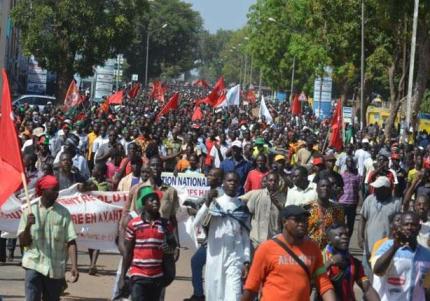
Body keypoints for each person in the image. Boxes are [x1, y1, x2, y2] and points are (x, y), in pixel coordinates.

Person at [241, 205, 336, 301]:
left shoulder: (314, 249)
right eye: (297, 220)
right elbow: (251, 287)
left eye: (304, 220)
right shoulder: (266, 249)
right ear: (284, 222)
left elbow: (324, 284)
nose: (302, 224)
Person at [18, 175, 79, 300]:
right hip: (34, 264)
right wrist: (28, 226)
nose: (57, 193)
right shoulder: (29, 211)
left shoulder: (64, 213)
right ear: (44, 191)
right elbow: (23, 242)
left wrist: (74, 266)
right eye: (54, 189)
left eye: (58, 189)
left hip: (55, 268)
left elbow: (71, 241)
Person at [194, 172, 251, 301]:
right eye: (229, 181)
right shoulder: (215, 204)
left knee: (234, 295)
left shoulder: (242, 207)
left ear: (238, 185)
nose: (232, 183)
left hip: (236, 256)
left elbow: (246, 237)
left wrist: (246, 259)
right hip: (216, 256)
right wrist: (207, 202)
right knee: (215, 293)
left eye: (235, 181)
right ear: (223, 183)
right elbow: (196, 222)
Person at [119, 186, 177, 301]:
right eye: (151, 200)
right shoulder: (133, 224)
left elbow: (174, 244)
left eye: (157, 200)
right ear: (144, 205)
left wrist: (169, 247)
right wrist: (122, 277)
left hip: (158, 277)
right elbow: (128, 253)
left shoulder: (166, 225)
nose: (156, 202)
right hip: (138, 276)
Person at [184, 168, 225, 301]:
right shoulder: (211, 192)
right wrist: (186, 202)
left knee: (197, 263)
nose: (208, 176)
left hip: (216, 239)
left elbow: (207, 212)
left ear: (219, 180)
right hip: (211, 238)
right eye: (209, 174)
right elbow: (199, 204)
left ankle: (199, 295)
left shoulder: (218, 194)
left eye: (212, 175)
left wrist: (195, 212)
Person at [372, 212, 430, 300]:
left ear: (419, 228)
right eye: (406, 224)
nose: (409, 227)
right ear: (400, 227)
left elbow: (427, 286)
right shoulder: (387, 247)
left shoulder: (427, 254)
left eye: (413, 225)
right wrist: (394, 248)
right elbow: (377, 271)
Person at [323, 223, 380, 301]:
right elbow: (312, 280)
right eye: (339, 235)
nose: (345, 237)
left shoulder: (354, 263)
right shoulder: (321, 258)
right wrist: (329, 263)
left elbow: (367, 288)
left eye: (346, 234)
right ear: (329, 240)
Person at [359, 176, 402, 278]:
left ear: (387, 190)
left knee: (382, 277)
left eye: (379, 188)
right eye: (375, 188)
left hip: (385, 248)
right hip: (368, 246)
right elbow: (362, 219)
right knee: (367, 277)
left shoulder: (396, 203)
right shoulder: (369, 200)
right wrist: (360, 237)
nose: (376, 190)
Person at [241, 172, 286, 248]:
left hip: (274, 241)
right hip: (256, 241)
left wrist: (277, 204)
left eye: (275, 181)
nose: (273, 183)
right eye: (270, 180)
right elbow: (240, 202)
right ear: (266, 181)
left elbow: (286, 217)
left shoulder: (283, 197)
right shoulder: (256, 194)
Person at [306, 177, 345, 249]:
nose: (325, 188)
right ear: (317, 189)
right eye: (322, 186)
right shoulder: (307, 209)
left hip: (330, 252)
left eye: (328, 186)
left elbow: (341, 231)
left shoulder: (338, 209)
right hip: (310, 250)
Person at [339, 155, 362, 236]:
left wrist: (359, 202)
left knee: (350, 225)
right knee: (340, 224)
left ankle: (347, 243)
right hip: (342, 202)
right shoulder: (341, 175)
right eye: (348, 161)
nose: (350, 163)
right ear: (345, 163)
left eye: (351, 161)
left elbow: (359, 190)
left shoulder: (357, 176)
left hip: (352, 203)